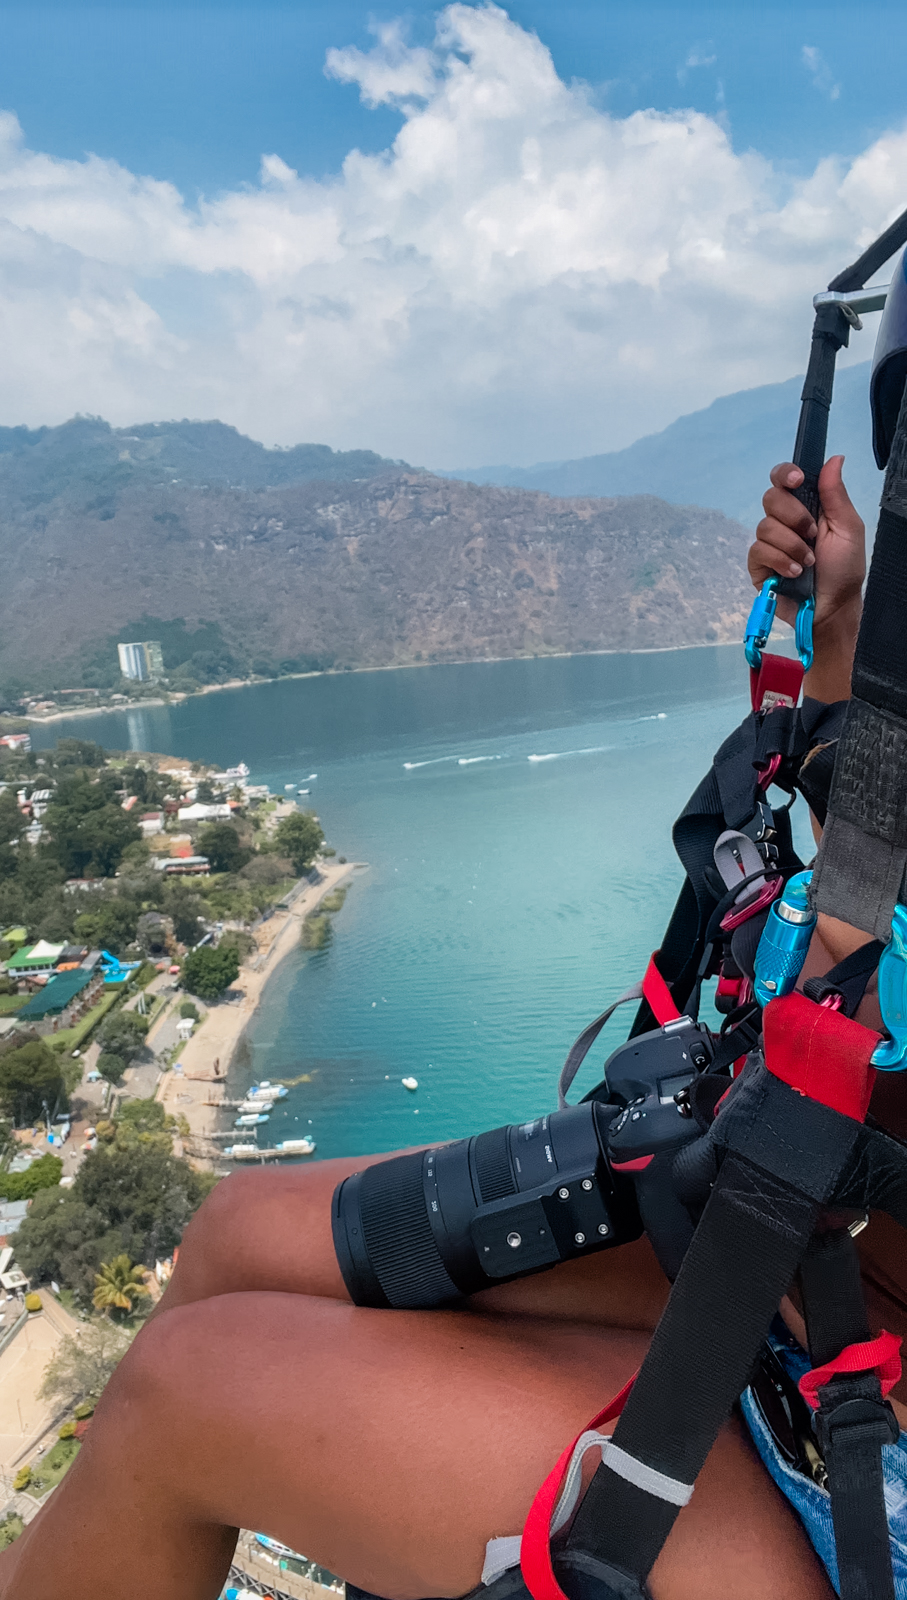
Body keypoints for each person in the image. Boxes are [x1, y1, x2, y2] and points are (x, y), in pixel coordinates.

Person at [0, 457, 876, 1600]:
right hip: (806, 1237)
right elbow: (864, 868)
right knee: (227, 1235)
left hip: (865, 1432)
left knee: (182, 1393)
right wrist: (849, 630)